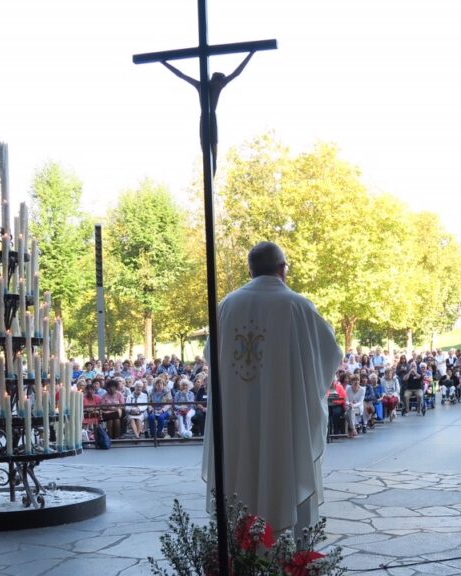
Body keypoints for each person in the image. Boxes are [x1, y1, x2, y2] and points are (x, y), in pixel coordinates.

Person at [202, 241, 341, 537]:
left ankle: (239, 553)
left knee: (239, 479)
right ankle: (293, 558)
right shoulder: (297, 306)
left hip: (237, 423)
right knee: (288, 472)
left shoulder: (227, 306)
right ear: (282, 269)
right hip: (285, 421)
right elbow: (330, 355)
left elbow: (209, 355)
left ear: (250, 271)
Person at [161, 51, 256, 174]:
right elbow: (237, 73)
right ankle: (211, 176)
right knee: (211, 151)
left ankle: (211, 178)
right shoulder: (217, 84)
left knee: (208, 150)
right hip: (209, 118)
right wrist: (252, 53)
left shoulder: (201, 85)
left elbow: (181, 75)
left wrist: (164, 62)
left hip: (205, 117)